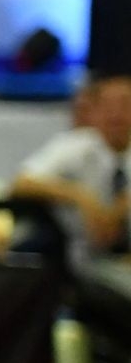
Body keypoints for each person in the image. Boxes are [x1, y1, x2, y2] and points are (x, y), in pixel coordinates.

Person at [13, 73, 131, 258]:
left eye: (125, 104)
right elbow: (22, 183)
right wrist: (80, 196)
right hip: (83, 260)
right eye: (107, 105)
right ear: (94, 111)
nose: (116, 114)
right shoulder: (75, 146)